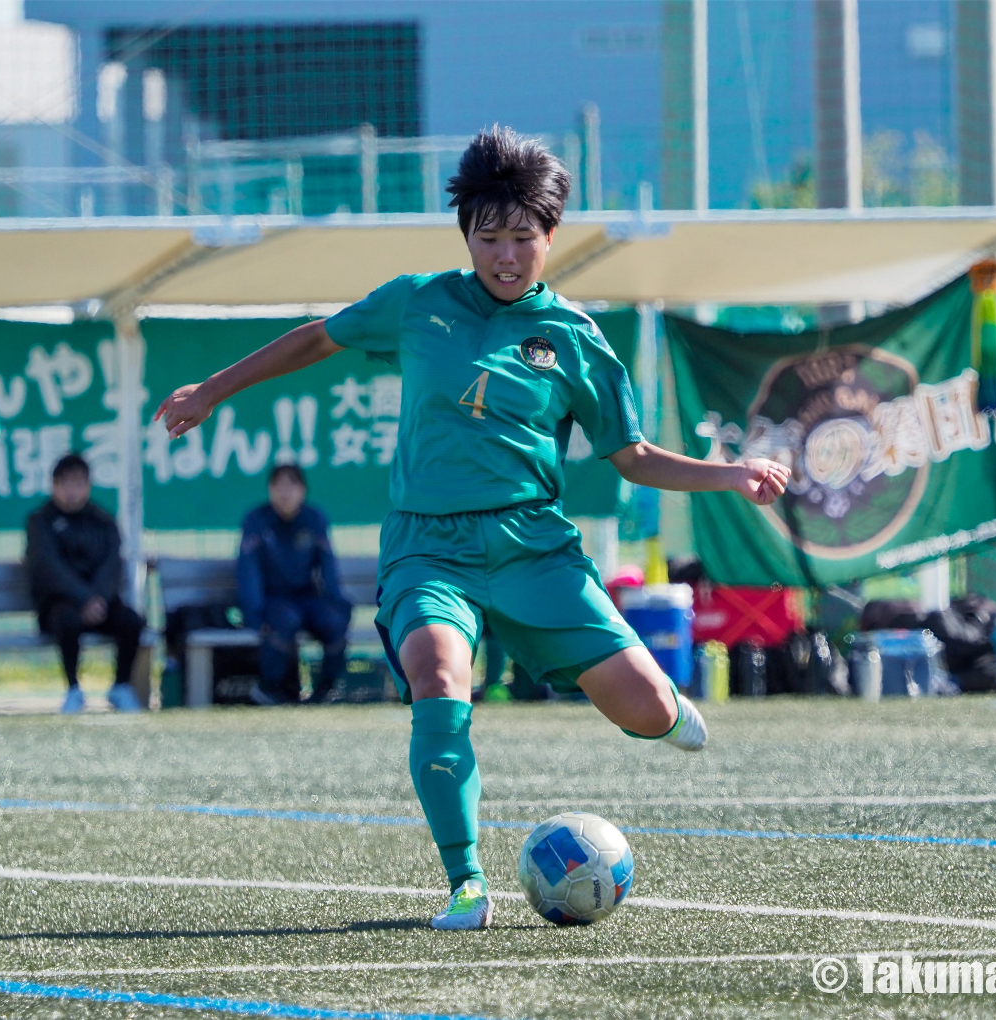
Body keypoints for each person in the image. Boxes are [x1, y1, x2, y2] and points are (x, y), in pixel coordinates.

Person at [156, 127, 790, 930]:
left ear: (550, 237)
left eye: (522, 239)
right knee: (437, 673)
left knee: (641, 710)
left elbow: (630, 457)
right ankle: (465, 883)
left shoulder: (577, 342)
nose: (506, 257)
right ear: (466, 237)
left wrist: (729, 475)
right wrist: (213, 389)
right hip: (430, 548)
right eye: (488, 238)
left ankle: (661, 708)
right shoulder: (418, 302)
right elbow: (318, 336)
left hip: (535, 549)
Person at [26, 454, 145, 714]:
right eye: (65, 483)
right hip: (59, 604)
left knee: (132, 622)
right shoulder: (40, 522)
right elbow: (48, 568)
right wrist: (83, 598)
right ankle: (73, 689)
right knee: (67, 621)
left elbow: (112, 564)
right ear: (54, 485)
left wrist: (98, 598)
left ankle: (121, 687)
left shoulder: (102, 520)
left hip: (101, 603)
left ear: (88, 485)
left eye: (78, 483)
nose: (71, 490)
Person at [237, 463, 350, 705]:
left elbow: (328, 567)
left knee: (333, 621)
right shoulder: (257, 521)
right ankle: (270, 688)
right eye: (279, 486)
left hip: (307, 597)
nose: (285, 493)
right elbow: (248, 572)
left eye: (292, 486)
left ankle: (326, 691)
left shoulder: (314, 519)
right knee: (285, 620)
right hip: (274, 599)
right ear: (270, 490)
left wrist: (336, 603)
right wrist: (253, 613)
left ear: (303, 490)